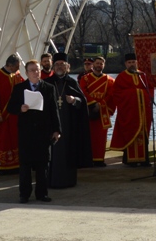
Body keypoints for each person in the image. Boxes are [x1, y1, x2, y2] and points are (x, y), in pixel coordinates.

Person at [8, 60, 61, 203]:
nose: (35, 72)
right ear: (26, 73)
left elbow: (54, 110)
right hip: (26, 133)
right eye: (32, 70)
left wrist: (57, 130)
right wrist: (21, 108)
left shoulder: (49, 88)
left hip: (43, 132)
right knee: (25, 166)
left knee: (43, 165)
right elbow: (10, 108)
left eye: (37, 69)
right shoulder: (19, 88)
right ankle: (24, 194)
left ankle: (42, 193)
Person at [45, 53, 87, 187]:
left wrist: (75, 100)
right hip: (51, 124)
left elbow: (83, 101)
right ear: (53, 66)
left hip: (69, 125)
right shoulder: (47, 83)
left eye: (62, 64)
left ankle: (68, 181)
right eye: (57, 64)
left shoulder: (72, 82)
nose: (59, 67)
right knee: (53, 154)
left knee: (68, 152)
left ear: (67, 67)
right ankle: (51, 181)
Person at [109, 52, 154, 166]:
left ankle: (144, 159)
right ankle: (130, 160)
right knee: (129, 133)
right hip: (128, 112)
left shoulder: (143, 75)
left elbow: (150, 90)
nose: (132, 64)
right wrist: (136, 93)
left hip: (143, 112)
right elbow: (116, 94)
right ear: (125, 64)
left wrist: (141, 94)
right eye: (129, 63)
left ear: (137, 63)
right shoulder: (121, 77)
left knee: (143, 136)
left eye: (133, 62)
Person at [79, 56, 116, 166]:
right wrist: (93, 103)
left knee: (100, 137)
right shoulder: (85, 79)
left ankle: (99, 159)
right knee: (88, 136)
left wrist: (100, 104)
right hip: (88, 110)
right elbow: (82, 92)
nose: (99, 65)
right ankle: (87, 159)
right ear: (93, 64)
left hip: (102, 110)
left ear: (104, 65)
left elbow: (111, 95)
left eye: (101, 63)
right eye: (97, 63)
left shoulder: (109, 80)